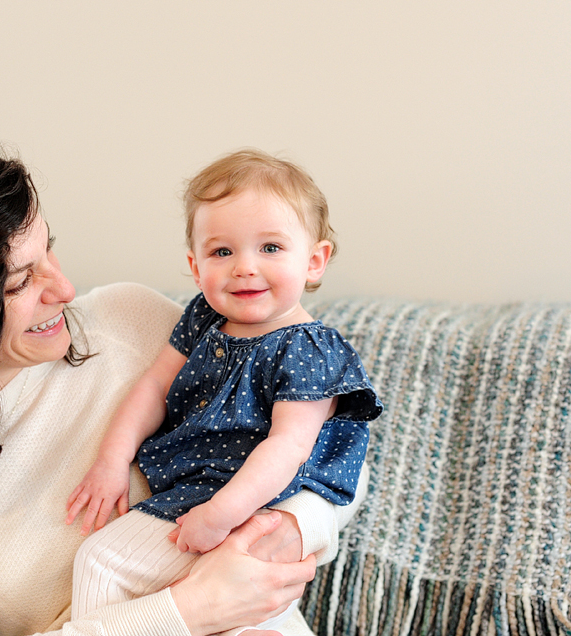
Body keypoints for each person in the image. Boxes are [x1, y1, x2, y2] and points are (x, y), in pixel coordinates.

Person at [0, 130, 365, 636]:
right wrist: (187, 611)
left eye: (48, 250)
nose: (63, 289)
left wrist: (291, 528)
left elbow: (332, 447)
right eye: (21, 280)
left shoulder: (128, 320)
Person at [66, 150, 383, 633]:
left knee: (102, 561)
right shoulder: (204, 317)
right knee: (219, 614)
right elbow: (154, 385)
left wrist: (220, 514)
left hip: (249, 501)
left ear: (315, 261)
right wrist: (112, 460)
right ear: (196, 267)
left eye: (271, 248)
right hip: (197, 493)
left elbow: (290, 446)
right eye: (222, 252)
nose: (244, 267)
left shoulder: (308, 349)